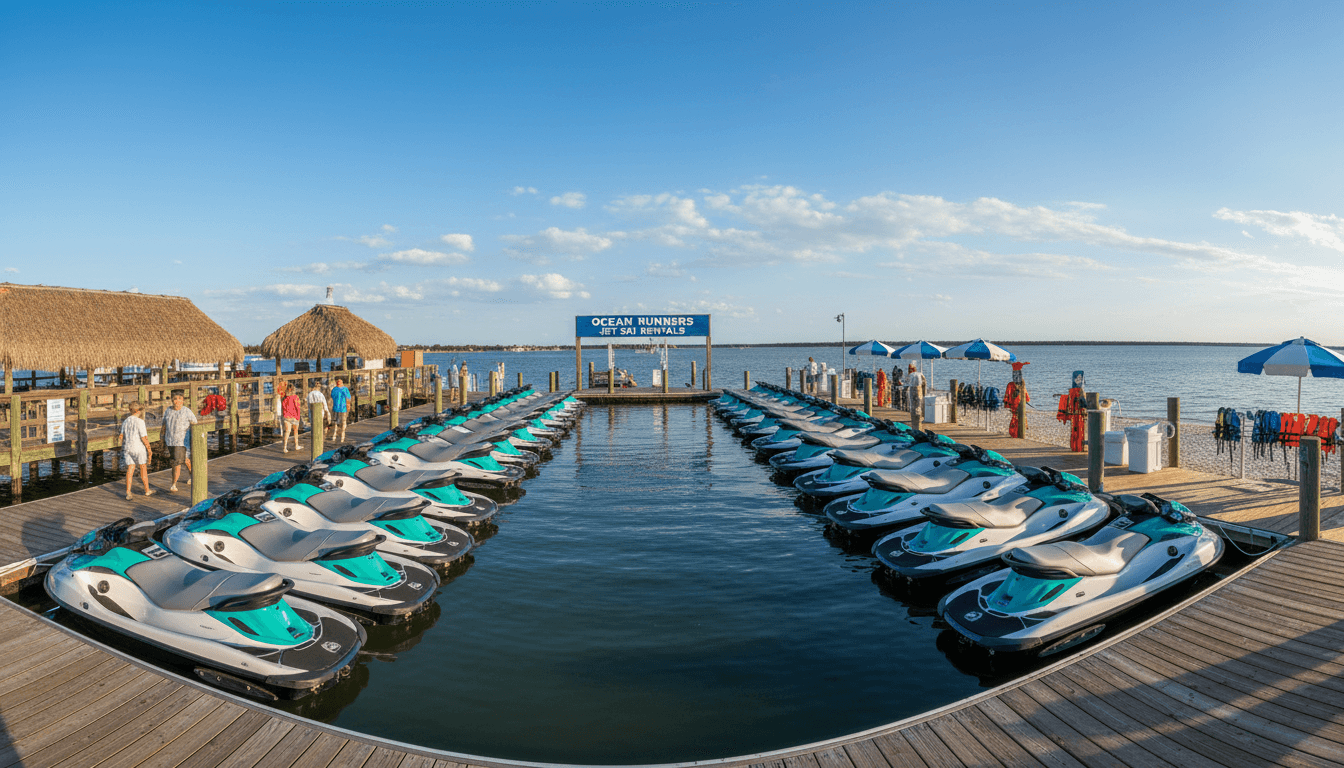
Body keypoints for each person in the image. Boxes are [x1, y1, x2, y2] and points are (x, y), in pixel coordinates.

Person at [163, 392, 197, 492]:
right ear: (172, 400)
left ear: (183, 400)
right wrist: (162, 437)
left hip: (182, 441)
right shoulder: (168, 410)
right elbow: (164, 423)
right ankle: (193, 476)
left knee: (176, 462)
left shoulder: (187, 411)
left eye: (180, 398)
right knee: (185, 460)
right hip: (170, 440)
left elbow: (194, 423)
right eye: (175, 399)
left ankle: (173, 484)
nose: (177, 401)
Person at [120, 402, 154, 500]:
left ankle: (128, 491)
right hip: (139, 447)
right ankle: (147, 490)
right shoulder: (140, 422)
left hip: (128, 448)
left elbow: (121, 436)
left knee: (130, 469)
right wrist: (149, 450)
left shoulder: (125, 421)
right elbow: (144, 438)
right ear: (139, 411)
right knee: (143, 468)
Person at [280, 383, 302, 452]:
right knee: (295, 431)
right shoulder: (295, 397)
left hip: (286, 417)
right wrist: (298, 417)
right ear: (294, 389)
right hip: (294, 416)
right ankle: (296, 446)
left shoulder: (284, 398)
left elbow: (283, 407)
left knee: (287, 432)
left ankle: (284, 448)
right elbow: (297, 408)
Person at [328, 377, 351, 443]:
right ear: (342, 383)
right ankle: (342, 437)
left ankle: (334, 436)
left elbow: (332, 396)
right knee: (343, 423)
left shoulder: (334, 389)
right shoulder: (345, 389)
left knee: (335, 423)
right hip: (343, 408)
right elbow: (348, 397)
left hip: (335, 408)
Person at [905, 362, 926, 430]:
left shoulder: (910, 375)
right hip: (919, 390)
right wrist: (924, 393)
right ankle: (919, 418)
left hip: (913, 390)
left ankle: (915, 420)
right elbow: (924, 383)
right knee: (919, 405)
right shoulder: (920, 374)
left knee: (914, 406)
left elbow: (906, 384)